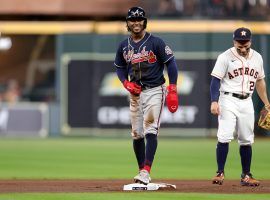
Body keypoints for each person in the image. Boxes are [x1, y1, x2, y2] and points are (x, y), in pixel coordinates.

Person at [114, 6, 179, 185]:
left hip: (154, 90)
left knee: (151, 129)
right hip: (135, 94)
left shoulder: (156, 42)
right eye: (132, 20)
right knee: (136, 134)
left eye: (139, 19)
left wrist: (172, 88)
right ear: (127, 23)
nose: (136, 23)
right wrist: (125, 82)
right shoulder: (123, 46)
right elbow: (119, 67)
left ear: (144, 21)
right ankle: (142, 171)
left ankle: (146, 171)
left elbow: (171, 64)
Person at [210, 27, 270, 186]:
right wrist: (214, 101)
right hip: (227, 99)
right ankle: (220, 172)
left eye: (246, 44)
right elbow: (215, 80)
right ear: (234, 41)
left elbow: (260, 81)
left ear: (250, 41)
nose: (243, 48)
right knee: (224, 135)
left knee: (246, 139)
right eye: (240, 44)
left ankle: (246, 176)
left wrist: (266, 102)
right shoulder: (225, 57)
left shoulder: (257, 57)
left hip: (247, 101)